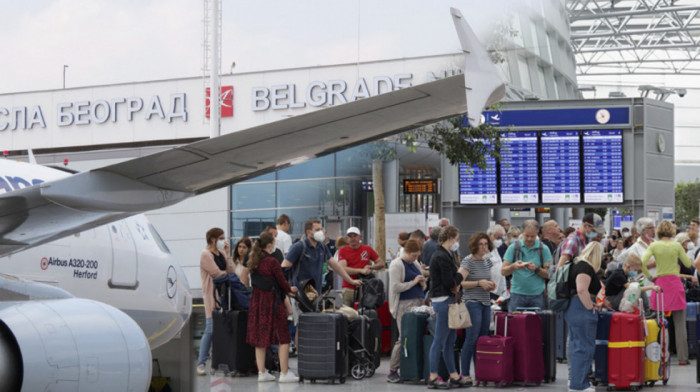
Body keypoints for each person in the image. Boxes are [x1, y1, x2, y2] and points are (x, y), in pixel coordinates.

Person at [282, 219, 361, 330]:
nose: (321, 232)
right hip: (301, 297)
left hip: (316, 296)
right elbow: (284, 267)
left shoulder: (322, 247)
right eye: (317, 229)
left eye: (321, 229)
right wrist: (287, 288)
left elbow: (335, 265)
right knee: (302, 327)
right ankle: (301, 348)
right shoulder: (299, 247)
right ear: (309, 232)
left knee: (314, 327)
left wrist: (350, 280)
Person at [246, 231, 299, 382]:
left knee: (260, 337)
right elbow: (282, 282)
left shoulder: (253, 261)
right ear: (269, 246)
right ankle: (284, 373)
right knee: (283, 336)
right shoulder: (272, 262)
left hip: (257, 302)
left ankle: (262, 373)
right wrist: (290, 289)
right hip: (272, 302)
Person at [641, 220, 694, 365]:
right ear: (671, 231)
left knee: (660, 323)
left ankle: (661, 357)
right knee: (680, 324)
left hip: (661, 286)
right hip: (675, 285)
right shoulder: (676, 245)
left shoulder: (654, 245)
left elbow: (643, 262)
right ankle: (683, 358)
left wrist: (651, 277)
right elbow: (688, 264)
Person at [426, 225, 470, 388]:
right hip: (443, 300)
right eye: (456, 240)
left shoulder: (443, 254)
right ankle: (433, 376)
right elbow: (449, 282)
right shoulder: (442, 256)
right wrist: (462, 274)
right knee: (440, 339)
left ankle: (453, 374)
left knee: (449, 340)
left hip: (444, 300)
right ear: (451, 239)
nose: (456, 243)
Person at [565, 241, 604, 392]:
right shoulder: (585, 267)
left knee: (577, 347)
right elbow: (582, 290)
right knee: (584, 348)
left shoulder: (577, 265)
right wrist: (591, 307)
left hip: (574, 308)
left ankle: (576, 382)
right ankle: (579, 385)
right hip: (581, 309)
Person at [458, 232, 496, 385]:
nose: (484, 247)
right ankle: (465, 373)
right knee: (471, 338)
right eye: (480, 244)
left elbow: (490, 278)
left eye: (486, 244)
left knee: (481, 340)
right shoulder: (468, 261)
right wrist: (479, 283)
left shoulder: (487, 261)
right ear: (474, 245)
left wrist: (491, 283)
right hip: (472, 303)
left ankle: (480, 372)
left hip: (486, 303)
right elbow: (460, 283)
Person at [386, 239, 426, 383]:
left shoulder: (414, 264)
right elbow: (395, 287)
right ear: (407, 252)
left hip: (418, 302)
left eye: (417, 256)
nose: (415, 258)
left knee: (416, 338)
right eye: (414, 255)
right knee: (404, 337)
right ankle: (392, 369)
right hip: (404, 305)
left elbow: (422, 285)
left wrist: (422, 283)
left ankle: (411, 368)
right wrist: (414, 282)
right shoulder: (396, 264)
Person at [196, 227, 235, 376]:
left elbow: (230, 271)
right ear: (213, 239)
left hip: (225, 295)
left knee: (221, 329)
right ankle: (201, 363)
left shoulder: (222, 253)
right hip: (213, 295)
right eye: (221, 238)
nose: (223, 241)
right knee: (210, 328)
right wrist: (226, 274)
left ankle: (217, 361)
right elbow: (217, 274)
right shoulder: (205, 254)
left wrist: (228, 254)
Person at [501, 219, 552, 312]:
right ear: (522, 233)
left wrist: (537, 269)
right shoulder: (513, 248)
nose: (529, 239)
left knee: (538, 324)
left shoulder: (543, 249)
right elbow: (503, 271)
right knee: (515, 324)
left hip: (538, 295)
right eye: (526, 235)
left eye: (532, 236)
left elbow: (549, 274)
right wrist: (514, 266)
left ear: (537, 234)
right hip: (516, 294)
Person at [338, 226, 386, 306]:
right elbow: (343, 269)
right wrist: (361, 270)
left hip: (365, 288)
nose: (352, 239)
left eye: (355, 236)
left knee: (365, 313)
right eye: (350, 236)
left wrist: (371, 267)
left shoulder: (367, 249)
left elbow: (381, 263)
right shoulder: (342, 251)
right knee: (347, 313)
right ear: (347, 238)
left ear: (360, 236)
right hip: (348, 287)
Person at [485, 225, 507, 299]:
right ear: (489, 235)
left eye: (501, 238)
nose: (499, 241)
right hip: (489, 291)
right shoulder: (483, 250)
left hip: (498, 291)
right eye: (497, 238)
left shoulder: (495, 249)